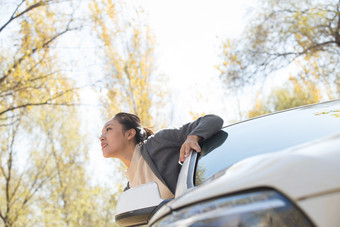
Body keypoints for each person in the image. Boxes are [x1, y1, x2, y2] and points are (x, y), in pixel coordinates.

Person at [100, 113, 223, 199]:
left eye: (108, 129)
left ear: (130, 134)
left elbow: (213, 120)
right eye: (102, 133)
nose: (101, 137)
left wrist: (192, 137)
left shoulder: (158, 142)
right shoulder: (129, 191)